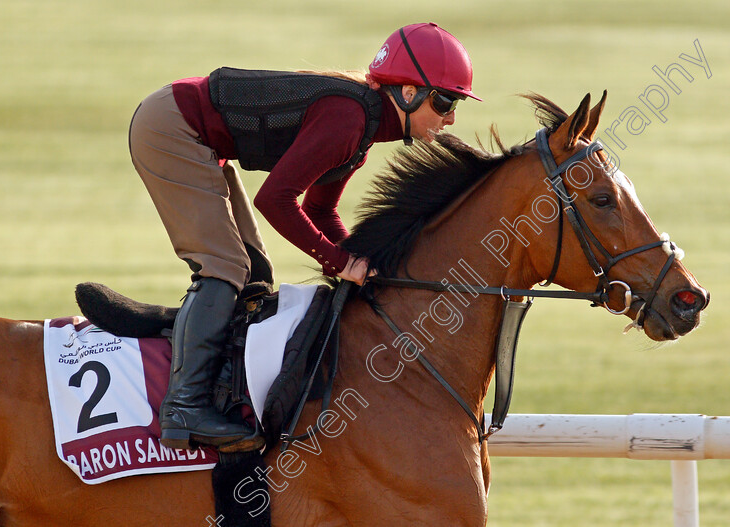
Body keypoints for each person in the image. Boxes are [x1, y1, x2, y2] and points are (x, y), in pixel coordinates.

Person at [127, 22, 480, 451]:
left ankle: (223, 387)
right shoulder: (349, 119)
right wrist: (340, 263)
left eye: (456, 104)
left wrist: (367, 263)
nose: (450, 118)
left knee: (254, 269)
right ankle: (185, 406)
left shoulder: (361, 128)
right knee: (224, 266)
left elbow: (319, 210)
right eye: (445, 101)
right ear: (408, 93)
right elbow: (274, 200)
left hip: (196, 134)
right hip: (173, 128)